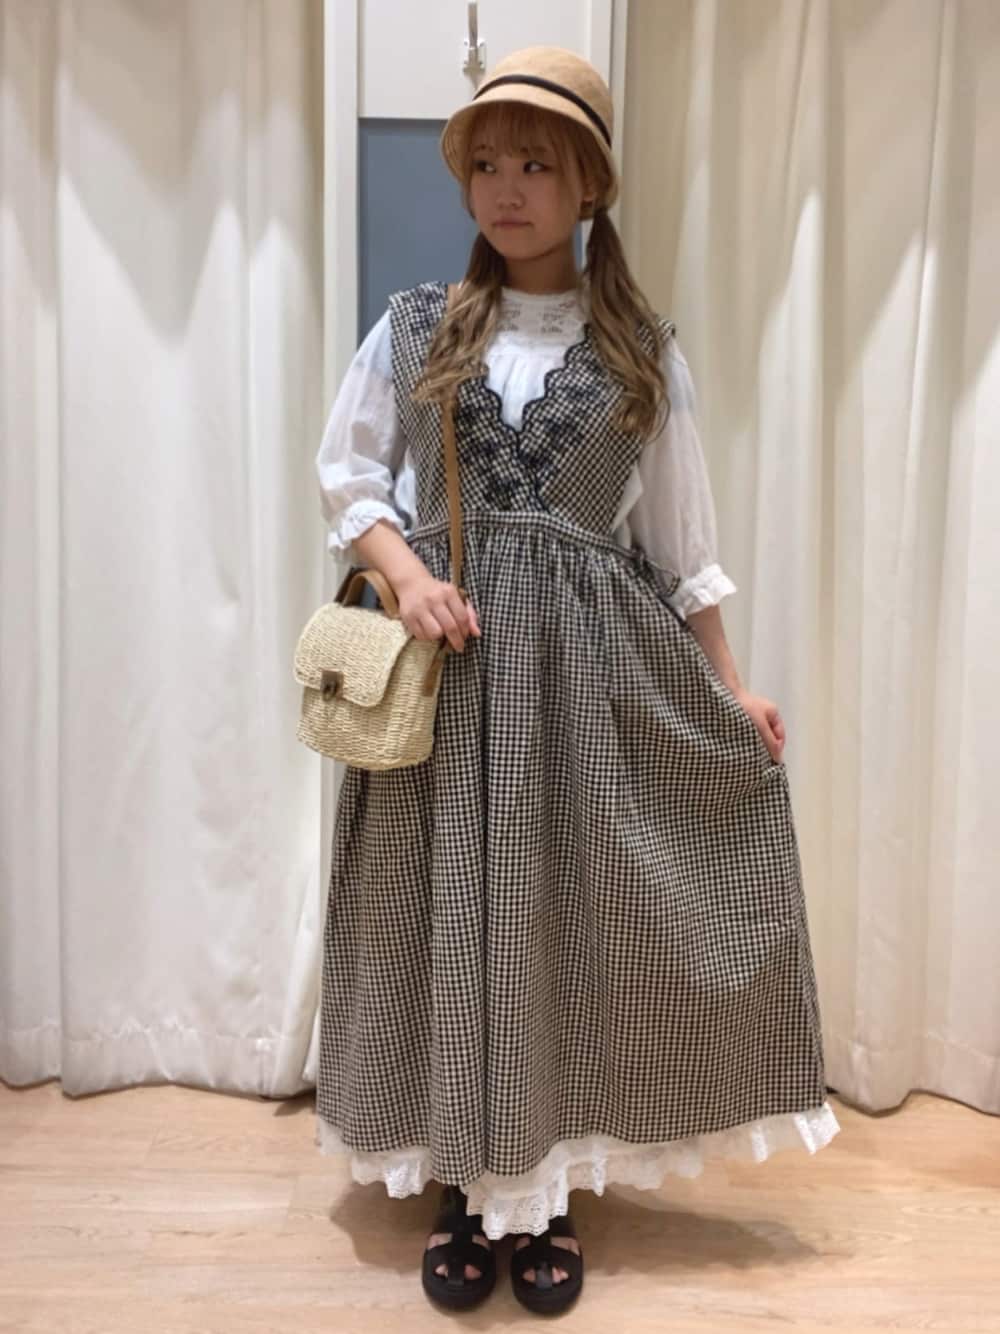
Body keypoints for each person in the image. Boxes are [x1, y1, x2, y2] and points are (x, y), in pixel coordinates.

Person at [313, 45, 841, 1315]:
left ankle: (541, 1189)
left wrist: (729, 689)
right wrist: (407, 576)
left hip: (589, 688)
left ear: (589, 184)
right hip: (449, 684)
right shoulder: (415, 326)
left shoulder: (642, 353)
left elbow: (683, 548)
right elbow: (348, 478)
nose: (507, 187)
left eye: (537, 165)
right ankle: (463, 1176)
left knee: (564, 922)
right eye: (489, 162)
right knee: (446, 918)